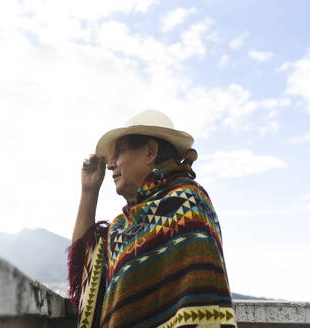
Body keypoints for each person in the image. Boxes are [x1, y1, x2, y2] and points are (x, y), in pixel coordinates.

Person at [68, 110, 236, 328]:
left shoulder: (188, 203)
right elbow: (85, 268)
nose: (110, 164)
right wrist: (89, 191)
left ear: (150, 152)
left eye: (119, 151)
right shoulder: (123, 226)